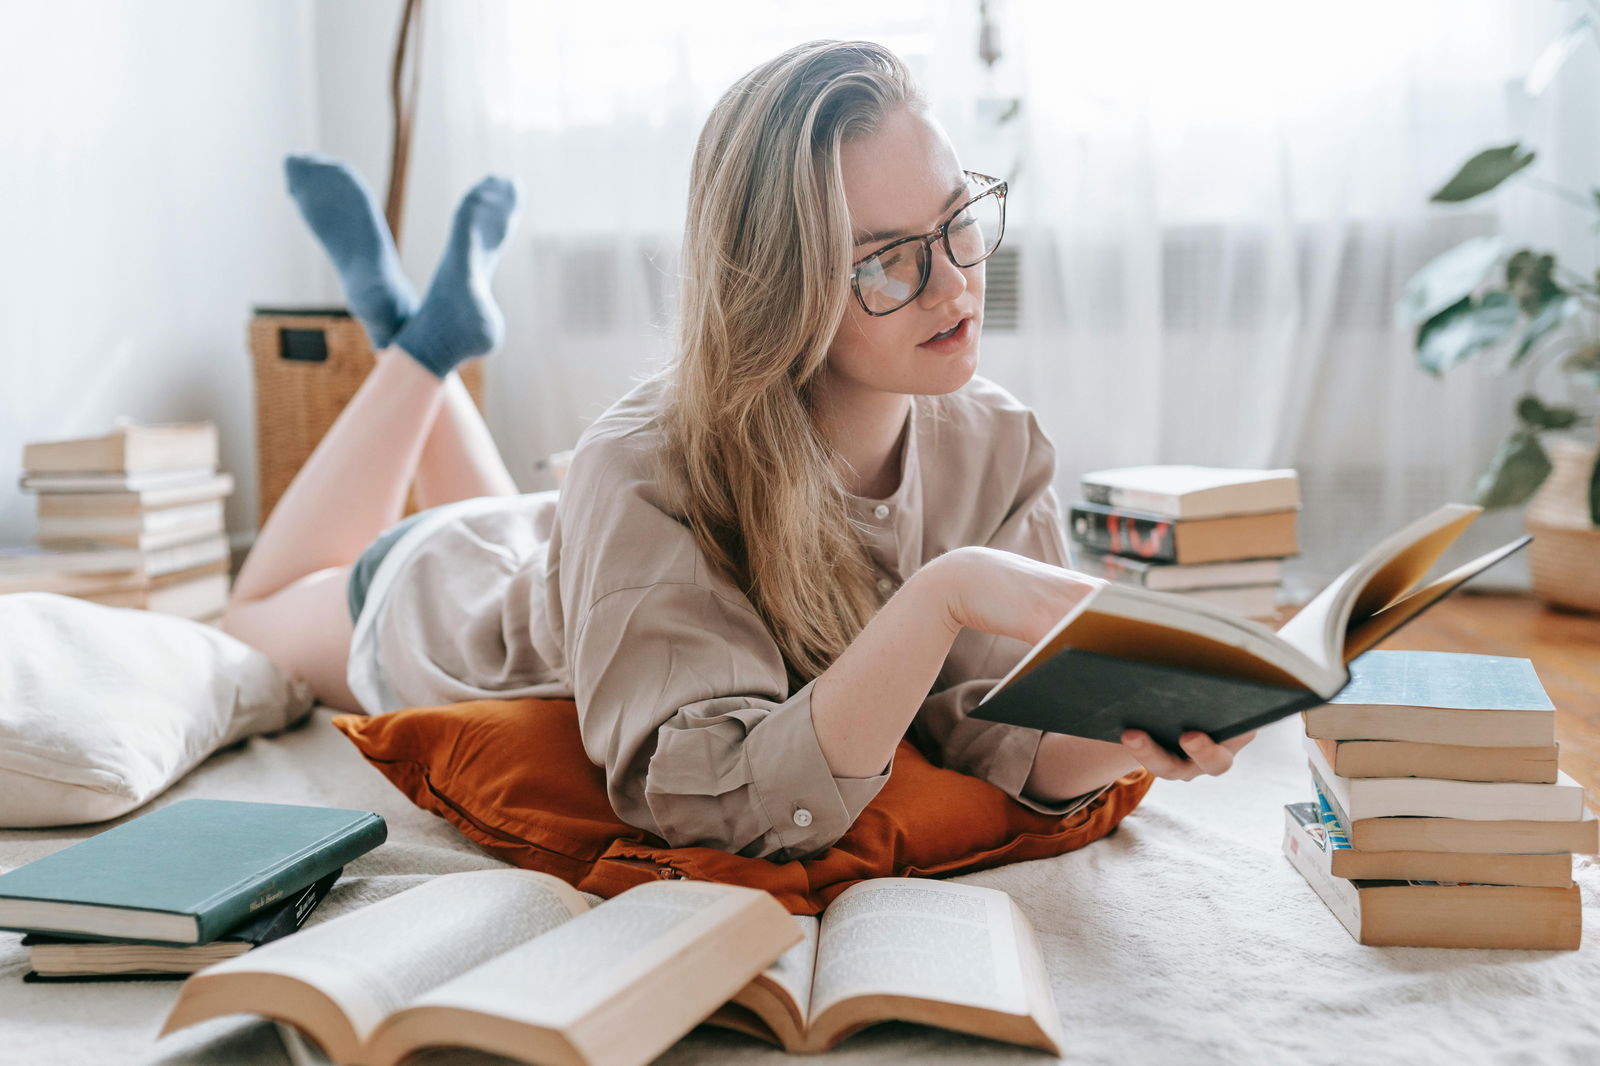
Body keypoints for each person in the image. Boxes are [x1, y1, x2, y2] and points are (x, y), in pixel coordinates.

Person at [224, 40, 1254, 863]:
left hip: (571, 545)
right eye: (887, 263)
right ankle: (420, 346)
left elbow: (991, 735)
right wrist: (946, 591)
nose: (952, 287)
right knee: (246, 618)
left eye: (957, 222)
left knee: (558, 521)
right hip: (449, 600)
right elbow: (717, 800)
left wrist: (1139, 740)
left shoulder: (996, 442)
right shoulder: (644, 467)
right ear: (780, 283)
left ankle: (422, 329)